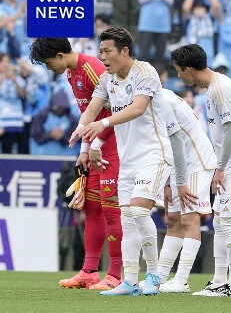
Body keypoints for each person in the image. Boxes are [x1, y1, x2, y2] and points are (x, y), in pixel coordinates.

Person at [69, 27, 173, 296]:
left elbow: (138, 108)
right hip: (127, 159)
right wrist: (81, 131)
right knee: (127, 218)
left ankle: (153, 275)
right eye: (100, 51)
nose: (102, 57)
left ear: (124, 51)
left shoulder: (145, 72)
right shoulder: (107, 79)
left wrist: (101, 123)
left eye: (107, 51)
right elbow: (90, 110)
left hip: (154, 153)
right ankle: (129, 281)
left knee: (139, 212)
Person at [29, 38, 123, 290]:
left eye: (49, 64)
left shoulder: (94, 69)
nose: (49, 69)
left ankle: (115, 274)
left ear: (60, 55)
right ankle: (89, 272)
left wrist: (95, 145)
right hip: (94, 149)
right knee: (91, 208)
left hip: (113, 147)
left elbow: (118, 113)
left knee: (112, 210)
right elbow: (89, 114)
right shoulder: (72, 73)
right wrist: (84, 149)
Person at [172, 44, 231, 298]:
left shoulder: (219, 90)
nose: (179, 76)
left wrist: (220, 168)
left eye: (179, 71)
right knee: (221, 222)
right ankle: (220, 280)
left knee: (229, 222)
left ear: (188, 69)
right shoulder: (218, 85)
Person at [154, 88, 216, 293]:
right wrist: (166, 182)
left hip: (197, 163)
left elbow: (176, 143)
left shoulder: (162, 102)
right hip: (179, 165)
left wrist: (178, 182)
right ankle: (159, 279)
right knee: (173, 219)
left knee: (189, 219)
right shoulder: (154, 99)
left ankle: (181, 280)